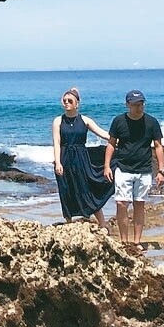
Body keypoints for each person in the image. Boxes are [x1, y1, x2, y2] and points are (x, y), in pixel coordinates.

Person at [104, 90, 164, 247]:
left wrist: (161, 170)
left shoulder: (151, 122)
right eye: (136, 104)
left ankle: (137, 241)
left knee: (139, 204)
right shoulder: (119, 121)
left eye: (141, 103)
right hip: (123, 168)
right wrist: (106, 166)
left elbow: (158, 146)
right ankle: (124, 241)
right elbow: (111, 144)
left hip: (144, 170)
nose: (139, 107)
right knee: (121, 203)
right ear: (128, 105)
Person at [51, 88, 113, 228]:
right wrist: (58, 163)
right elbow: (56, 142)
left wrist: (118, 140)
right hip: (64, 157)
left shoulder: (85, 120)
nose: (66, 103)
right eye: (64, 101)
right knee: (66, 189)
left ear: (77, 103)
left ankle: (103, 224)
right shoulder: (58, 121)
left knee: (87, 188)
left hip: (81, 158)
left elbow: (103, 134)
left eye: (70, 101)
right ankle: (69, 223)